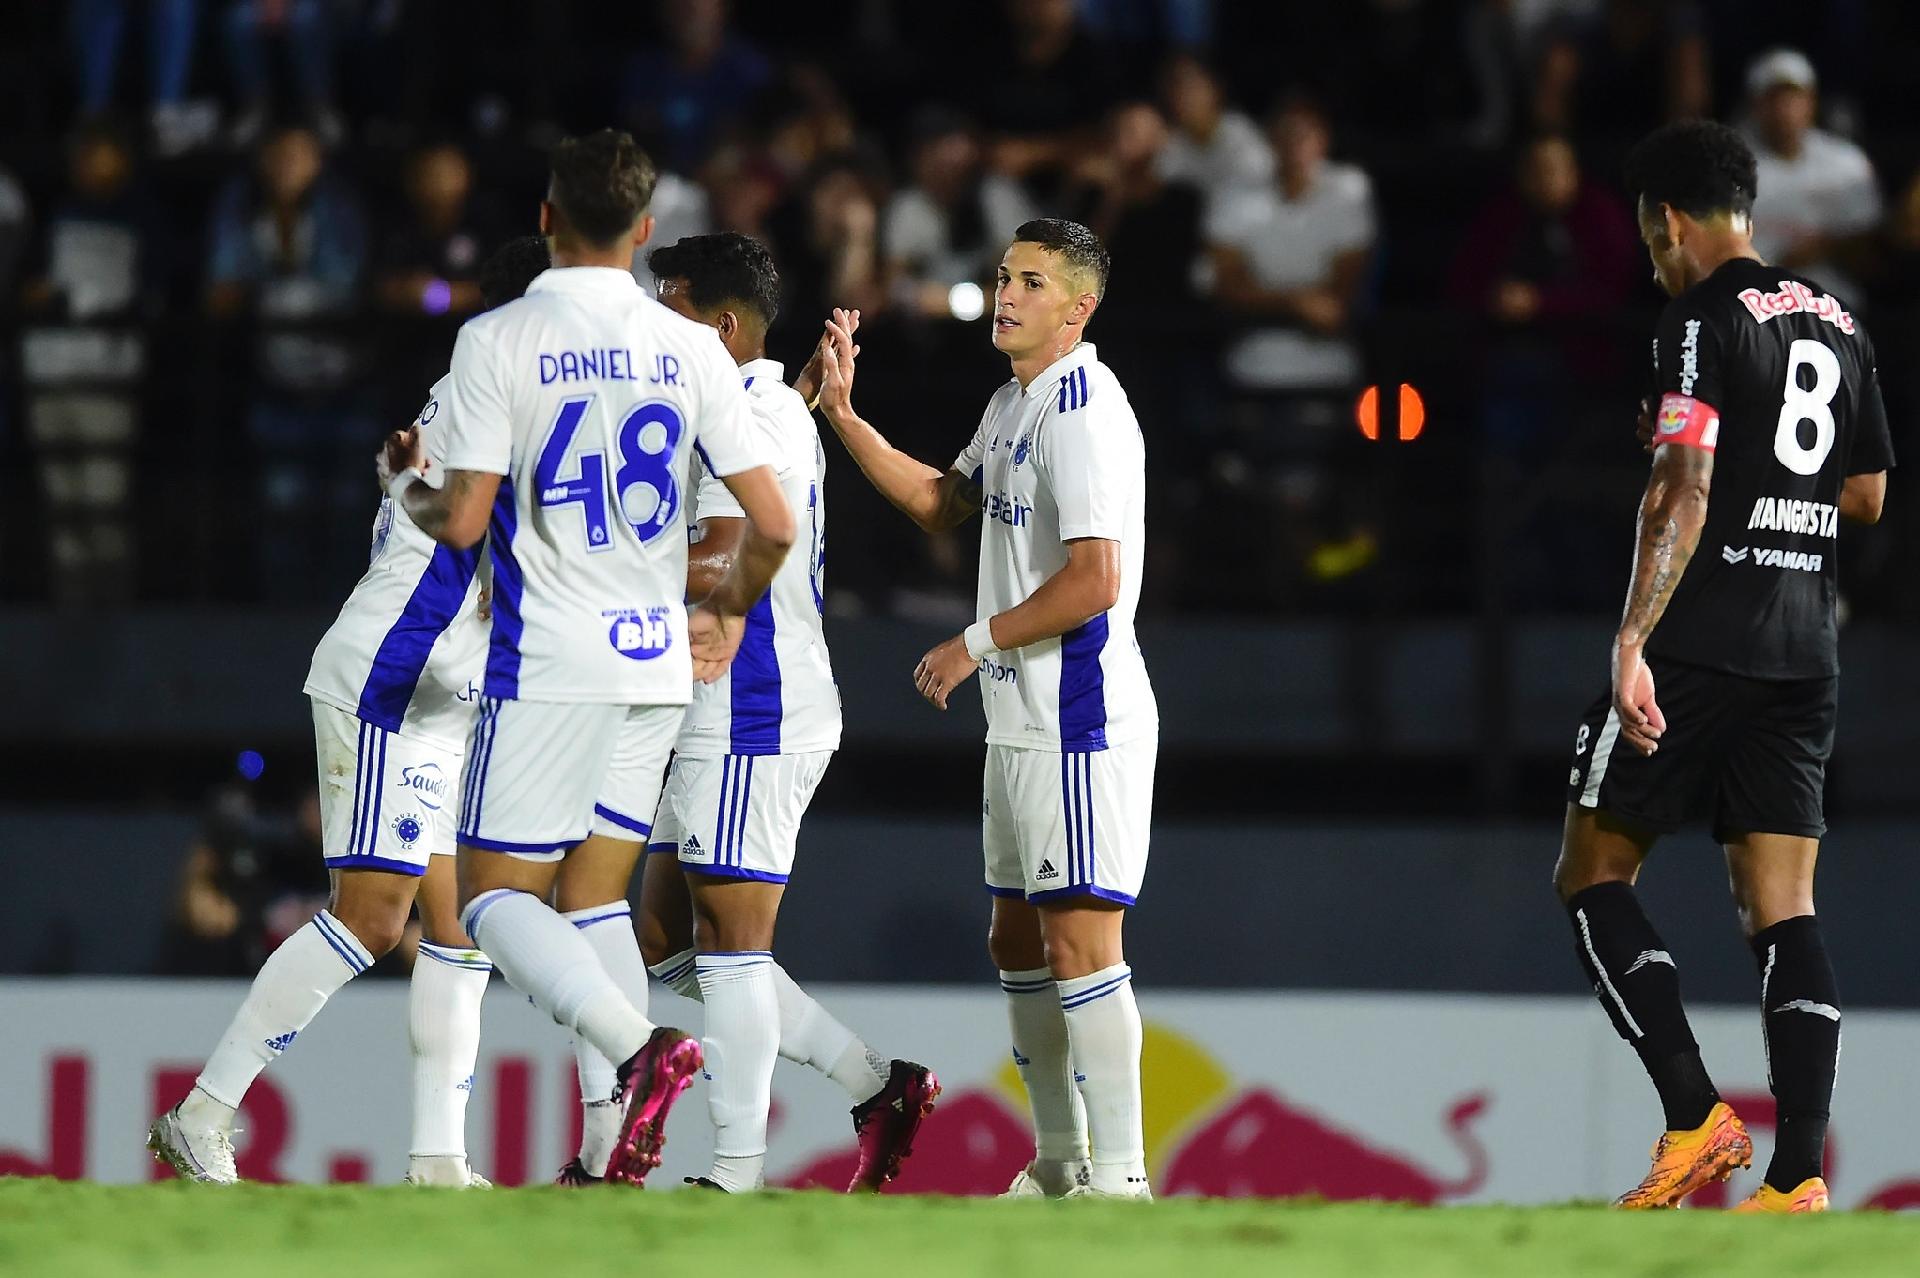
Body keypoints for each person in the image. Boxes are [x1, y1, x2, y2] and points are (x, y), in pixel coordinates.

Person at [389, 129, 797, 1188]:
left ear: (544, 217)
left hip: (551, 659)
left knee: (490, 899)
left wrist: (405, 486)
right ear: (646, 229)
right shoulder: (695, 348)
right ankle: (615, 1144)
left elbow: (466, 518)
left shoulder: (499, 339)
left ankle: (639, 1051)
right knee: (596, 902)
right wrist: (729, 610)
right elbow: (775, 522)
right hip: (657, 662)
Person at [147, 235, 555, 1189]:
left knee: (457, 927)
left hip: (444, 694)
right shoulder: (499, 393)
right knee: (374, 921)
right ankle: (205, 1112)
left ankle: (438, 1161)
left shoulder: (474, 391)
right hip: (394, 682)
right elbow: (490, 526)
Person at [1555, 120, 1894, 1214]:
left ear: (1668, 219)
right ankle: (1797, 1177)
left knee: (1594, 872)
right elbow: (1869, 493)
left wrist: (1630, 639)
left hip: (1701, 640)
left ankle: (1696, 1114)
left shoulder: (1696, 318)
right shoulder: (1839, 320)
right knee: (1784, 910)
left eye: (1652, 237)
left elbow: (1682, 488)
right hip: (1806, 649)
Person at [573, 232, 932, 1194]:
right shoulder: (749, 403)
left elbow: (730, 552)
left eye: (673, 303)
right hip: (705, 704)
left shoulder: (754, 411)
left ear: (721, 326)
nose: (654, 321)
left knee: (732, 949)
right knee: (660, 945)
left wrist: (608, 578)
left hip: (752, 705)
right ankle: (874, 1084)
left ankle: (733, 1179)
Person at [816, 218, 1158, 1199]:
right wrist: (845, 415)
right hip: (1020, 723)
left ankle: (1122, 1179)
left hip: (1079, 720)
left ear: (1079, 308)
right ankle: (1058, 1160)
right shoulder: (1015, 403)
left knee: (1083, 943)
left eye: (1033, 283)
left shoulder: (1084, 410)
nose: (1007, 295)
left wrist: (972, 643)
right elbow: (941, 505)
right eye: (1006, 277)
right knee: (1015, 939)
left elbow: (1095, 579)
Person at [1742, 48, 1881, 296]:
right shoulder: (1732, 164)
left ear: (1812, 101)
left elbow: (1875, 250)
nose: (1784, 109)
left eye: (1793, 97)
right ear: (1755, 104)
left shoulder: (1847, 163)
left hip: (1837, 307)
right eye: (1773, 99)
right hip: (1754, 307)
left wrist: (1829, 247)